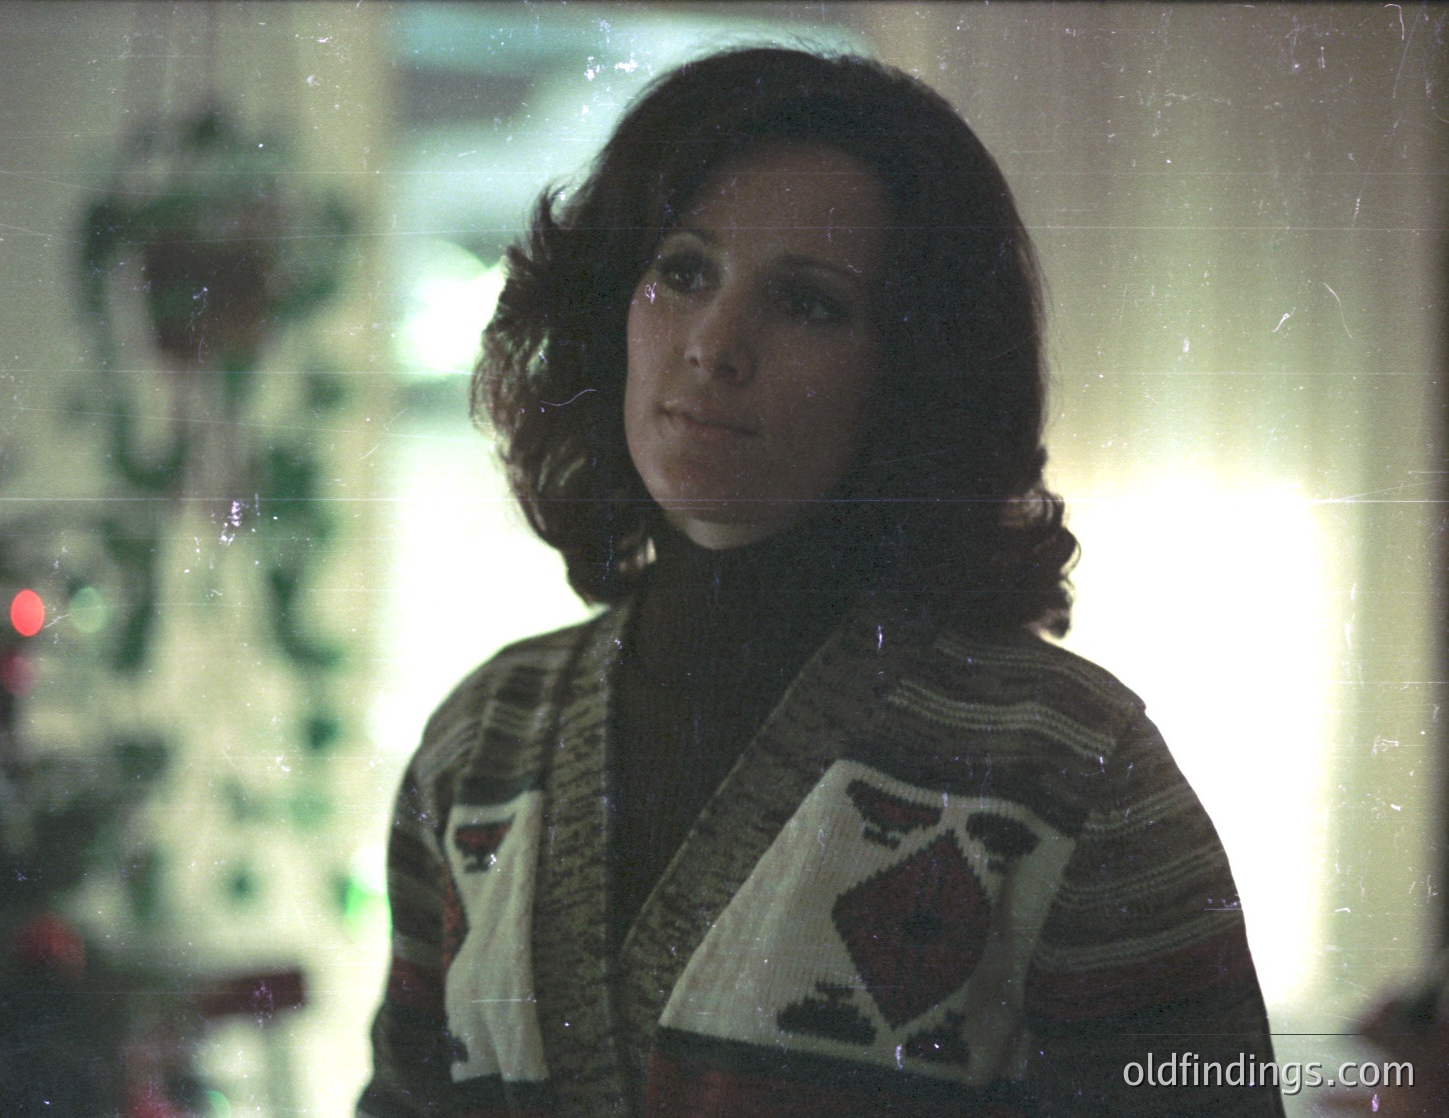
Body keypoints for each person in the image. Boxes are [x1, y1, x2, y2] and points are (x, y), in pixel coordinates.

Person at [359, 47, 1284, 1117]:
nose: (713, 344)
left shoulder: (1066, 766)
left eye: (806, 302)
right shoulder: (481, 742)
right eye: (685, 271)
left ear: (912, 372)